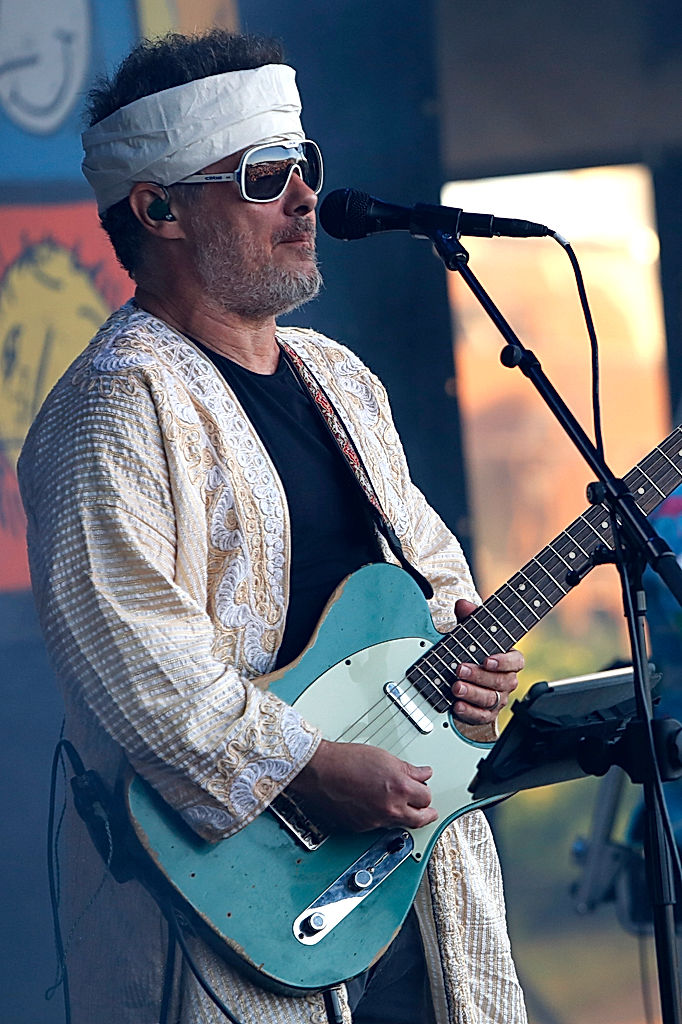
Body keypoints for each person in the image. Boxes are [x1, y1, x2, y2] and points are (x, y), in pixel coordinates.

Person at [18, 29, 527, 1024]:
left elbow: (430, 576)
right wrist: (307, 768)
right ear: (158, 208)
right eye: (263, 176)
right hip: (231, 909)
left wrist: (470, 653)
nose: (304, 201)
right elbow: (133, 661)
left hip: (409, 877)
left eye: (305, 168)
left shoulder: (339, 380)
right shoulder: (112, 407)